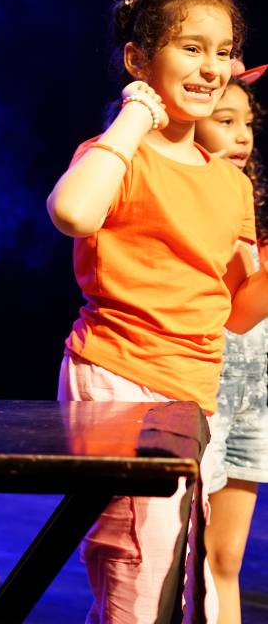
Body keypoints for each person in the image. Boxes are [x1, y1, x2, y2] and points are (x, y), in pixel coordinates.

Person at [46, 0, 267, 623]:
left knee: (169, 582)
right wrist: (136, 113)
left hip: (193, 392)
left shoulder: (230, 183)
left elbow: (234, 310)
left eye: (223, 51)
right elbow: (72, 212)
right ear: (138, 59)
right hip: (120, 376)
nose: (212, 67)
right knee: (137, 569)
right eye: (191, 48)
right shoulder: (115, 156)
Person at [194, 65, 267, 624]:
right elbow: (234, 317)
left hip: (253, 393)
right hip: (202, 384)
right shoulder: (187, 198)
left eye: (248, 123)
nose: (242, 135)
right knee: (188, 558)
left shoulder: (250, 201)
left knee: (225, 558)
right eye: (226, 121)